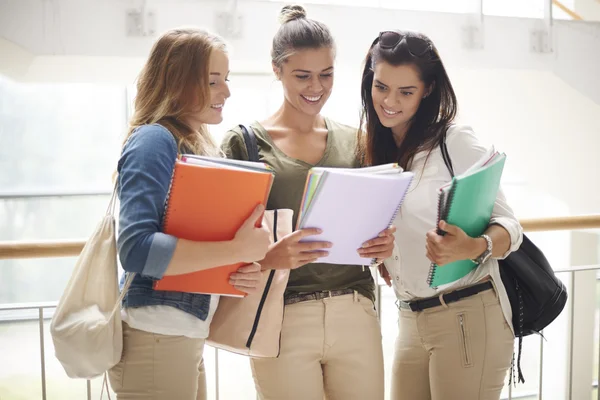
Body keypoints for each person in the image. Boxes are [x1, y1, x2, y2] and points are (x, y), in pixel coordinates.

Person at [221, 5, 395, 400]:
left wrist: (384, 246)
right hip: (280, 314)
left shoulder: (357, 141)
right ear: (276, 69)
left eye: (326, 74)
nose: (316, 86)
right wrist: (268, 259)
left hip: (355, 310)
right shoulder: (242, 143)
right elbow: (221, 246)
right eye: (302, 75)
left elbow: (373, 225)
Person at [357, 29, 523, 400]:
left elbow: (511, 228)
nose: (390, 101)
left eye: (406, 91)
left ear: (428, 89)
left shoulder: (454, 141)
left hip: (467, 315)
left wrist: (472, 247)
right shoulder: (376, 149)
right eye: (381, 86)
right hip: (410, 318)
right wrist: (381, 253)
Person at [108, 27, 271, 399]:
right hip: (157, 336)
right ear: (178, 83)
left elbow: (193, 245)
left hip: (178, 335)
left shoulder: (193, 145)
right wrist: (236, 250)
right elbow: (135, 249)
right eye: (213, 81)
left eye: (225, 80)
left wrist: (234, 273)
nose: (226, 91)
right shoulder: (154, 140)